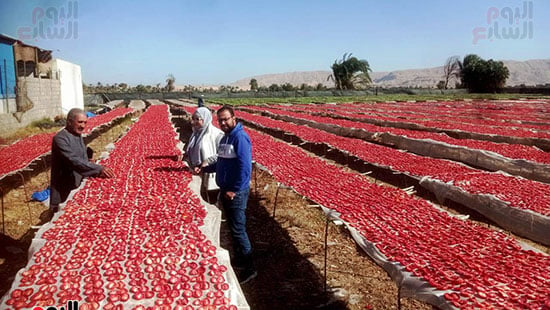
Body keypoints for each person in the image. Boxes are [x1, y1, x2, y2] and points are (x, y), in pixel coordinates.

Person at [199, 105, 256, 284]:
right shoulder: (225, 138)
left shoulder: (240, 138)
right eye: (220, 120)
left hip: (235, 193)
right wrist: (204, 167)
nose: (223, 123)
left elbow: (245, 167)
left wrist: (235, 189)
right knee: (232, 227)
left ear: (234, 118)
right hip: (226, 190)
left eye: (226, 119)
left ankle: (250, 268)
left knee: (239, 229)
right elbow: (221, 162)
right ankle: (240, 259)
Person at [50, 108, 114, 212]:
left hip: (78, 178)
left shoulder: (77, 134)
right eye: (80, 122)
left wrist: (88, 160)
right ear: (69, 122)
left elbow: (81, 154)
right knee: (62, 210)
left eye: (85, 122)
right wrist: (98, 168)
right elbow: (72, 160)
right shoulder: (60, 138)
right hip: (64, 183)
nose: (83, 126)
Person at [185, 107, 223, 193]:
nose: (194, 122)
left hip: (212, 171)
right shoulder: (196, 133)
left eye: (197, 119)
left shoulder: (217, 134)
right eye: (193, 119)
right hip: (198, 170)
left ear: (205, 119)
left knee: (211, 196)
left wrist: (207, 161)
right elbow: (192, 149)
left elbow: (222, 154)